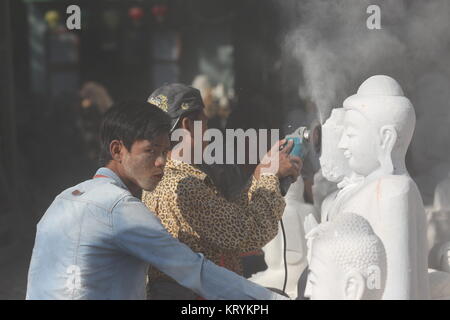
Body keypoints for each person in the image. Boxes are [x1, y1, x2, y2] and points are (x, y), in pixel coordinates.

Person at [25, 101, 287, 300]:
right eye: (150, 151)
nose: (161, 161)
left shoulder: (62, 200)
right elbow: (193, 271)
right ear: (117, 150)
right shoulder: (122, 210)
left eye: (164, 151)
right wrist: (269, 299)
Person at [143, 84, 302, 299]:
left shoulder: (165, 175)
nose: (209, 131)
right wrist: (269, 176)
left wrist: (262, 173)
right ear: (188, 125)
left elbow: (227, 215)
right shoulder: (184, 185)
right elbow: (248, 234)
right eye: (206, 121)